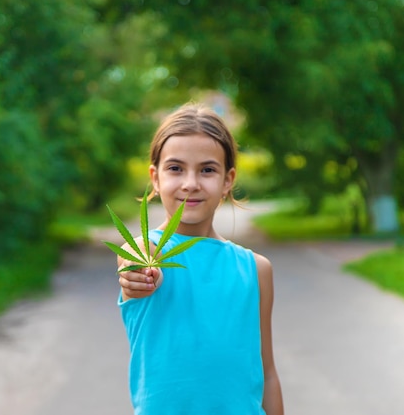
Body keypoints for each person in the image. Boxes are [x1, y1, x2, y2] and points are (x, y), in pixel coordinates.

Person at [116, 102, 284, 415]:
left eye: (207, 170)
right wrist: (138, 274)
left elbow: (268, 372)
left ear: (228, 180)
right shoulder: (143, 252)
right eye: (176, 168)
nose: (190, 183)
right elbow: (136, 268)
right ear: (155, 177)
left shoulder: (256, 269)